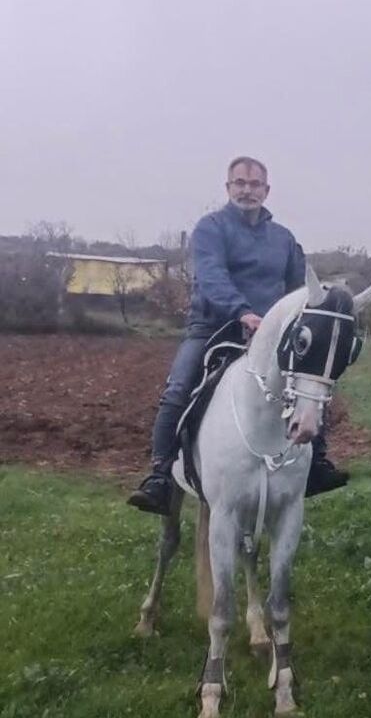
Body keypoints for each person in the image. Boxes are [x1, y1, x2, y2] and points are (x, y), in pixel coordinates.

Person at [127, 156, 348, 516]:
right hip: (215, 327)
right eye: (240, 183)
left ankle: (316, 465)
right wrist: (243, 312)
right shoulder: (211, 229)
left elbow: (297, 290)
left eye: (255, 184)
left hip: (272, 336)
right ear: (228, 188)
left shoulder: (283, 239)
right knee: (178, 389)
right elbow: (211, 277)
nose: (248, 190)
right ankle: (160, 477)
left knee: (312, 386)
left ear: (267, 190)